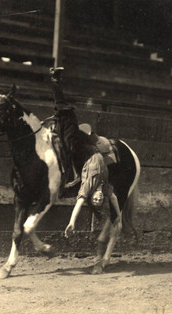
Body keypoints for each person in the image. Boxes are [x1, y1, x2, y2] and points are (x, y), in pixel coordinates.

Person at [48, 67, 121, 237]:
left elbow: (79, 203)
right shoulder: (104, 186)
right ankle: (59, 97)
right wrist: (118, 216)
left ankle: (56, 86)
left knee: (67, 141)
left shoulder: (88, 186)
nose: (98, 198)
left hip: (84, 153)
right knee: (67, 133)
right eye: (99, 200)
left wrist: (72, 223)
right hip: (89, 150)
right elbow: (114, 199)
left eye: (95, 200)